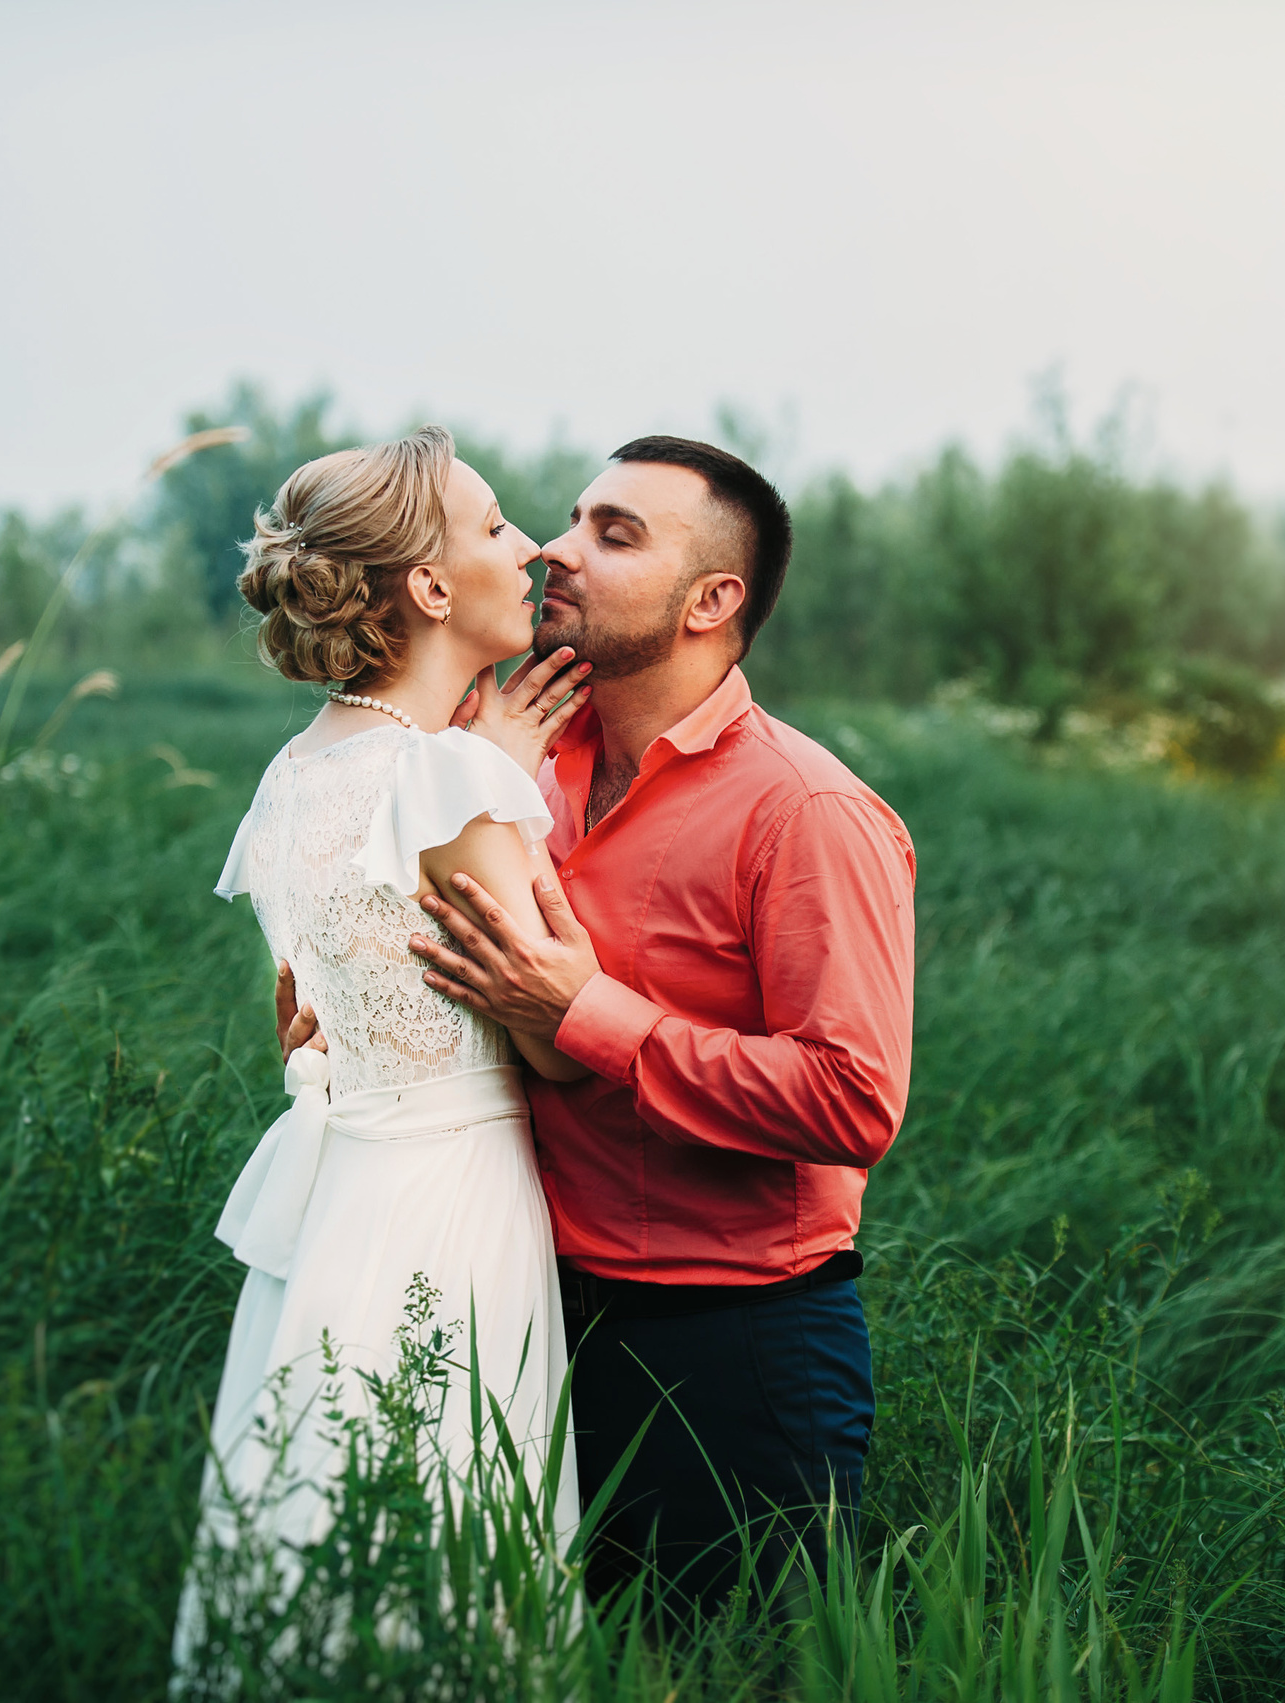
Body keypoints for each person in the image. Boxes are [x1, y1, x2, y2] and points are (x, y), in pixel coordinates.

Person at [407, 436, 917, 1615]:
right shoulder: (514, 762)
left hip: (732, 1348)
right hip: (527, 1317)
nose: (554, 550)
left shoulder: (806, 811)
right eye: (574, 518)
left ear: (712, 600)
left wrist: (587, 1014)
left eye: (613, 533)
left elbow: (851, 1099)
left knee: (733, 1668)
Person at [173, 425, 597, 1667]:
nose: (526, 551)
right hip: (454, 1201)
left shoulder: (293, 776)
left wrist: (476, 767)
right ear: (426, 587)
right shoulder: (450, 778)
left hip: (346, 1194)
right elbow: (559, 1047)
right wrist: (488, 780)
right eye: (493, 528)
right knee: (457, 1520)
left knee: (325, 1503)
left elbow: (308, 1016)